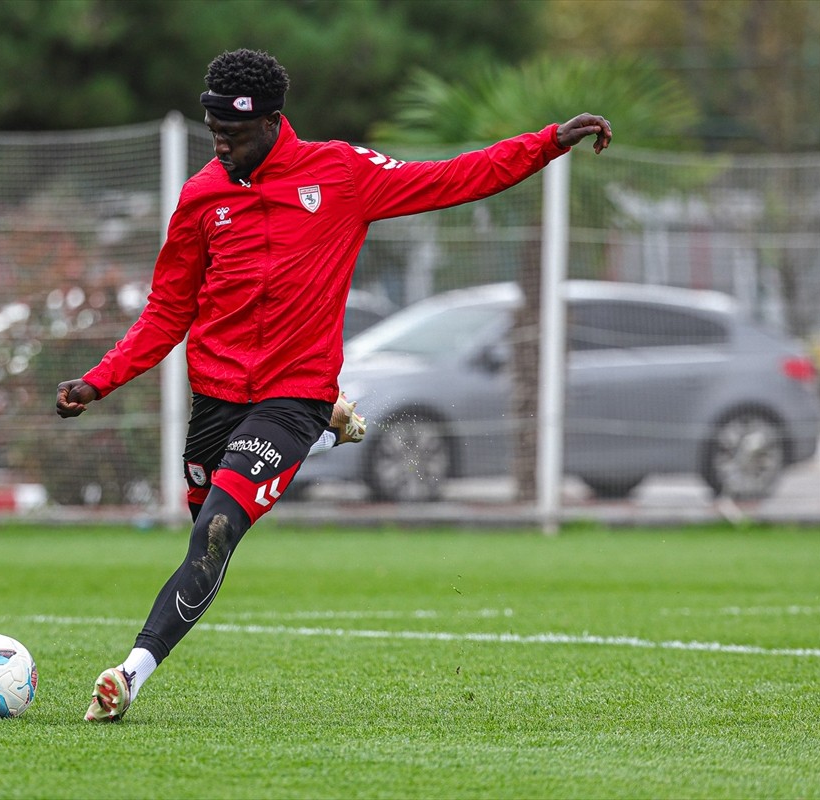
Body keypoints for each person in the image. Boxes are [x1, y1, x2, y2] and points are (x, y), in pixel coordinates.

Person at [56, 48, 612, 722]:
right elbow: (169, 308)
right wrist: (98, 381)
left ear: (271, 123)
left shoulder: (340, 175)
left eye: (231, 134)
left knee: (218, 531)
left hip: (292, 395)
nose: (220, 145)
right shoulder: (203, 195)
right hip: (217, 401)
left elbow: (453, 178)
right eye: (212, 132)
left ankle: (129, 674)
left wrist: (545, 144)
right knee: (202, 527)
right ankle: (326, 427)